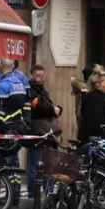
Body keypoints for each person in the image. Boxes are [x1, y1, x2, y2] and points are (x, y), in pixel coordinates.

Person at [0, 59, 31, 205]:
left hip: (4, 130)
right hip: (17, 128)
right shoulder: (19, 83)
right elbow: (25, 106)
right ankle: (15, 196)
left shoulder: (2, 85)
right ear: (13, 67)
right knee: (14, 164)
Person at [28, 64, 62, 198]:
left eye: (42, 75)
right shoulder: (30, 90)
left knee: (47, 163)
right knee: (36, 163)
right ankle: (32, 194)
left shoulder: (43, 90)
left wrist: (56, 108)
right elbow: (40, 106)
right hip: (36, 132)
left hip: (46, 132)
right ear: (32, 75)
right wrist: (54, 109)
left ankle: (47, 190)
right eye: (37, 75)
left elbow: (48, 104)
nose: (40, 78)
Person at [78, 72, 105, 144]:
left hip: (86, 138)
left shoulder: (89, 96)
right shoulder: (98, 98)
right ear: (98, 84)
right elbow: (97, 122)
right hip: (94, 141)